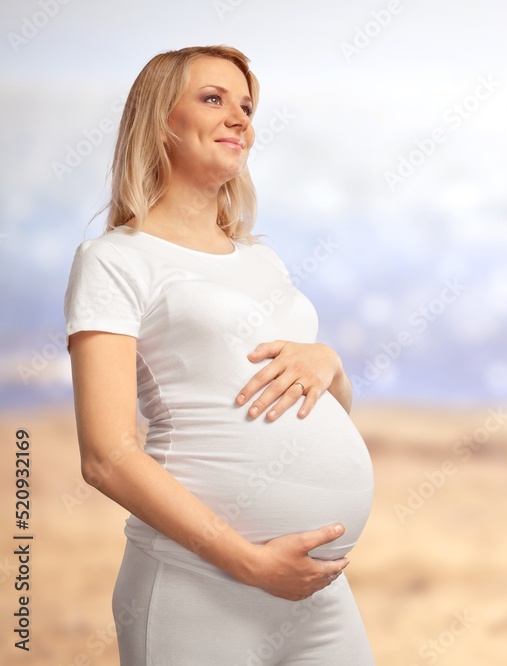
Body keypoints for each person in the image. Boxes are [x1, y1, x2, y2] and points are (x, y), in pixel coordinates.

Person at [63, 45, 376, 664]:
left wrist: (330, 363)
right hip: (197, 586)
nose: (241, 119)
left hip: (316, 592)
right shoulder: (115, 260)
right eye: (214, 99)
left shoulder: (264, 260)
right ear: (160, 122)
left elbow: (328, 406)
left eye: (247, 106)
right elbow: (106, 457)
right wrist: (249, 562)